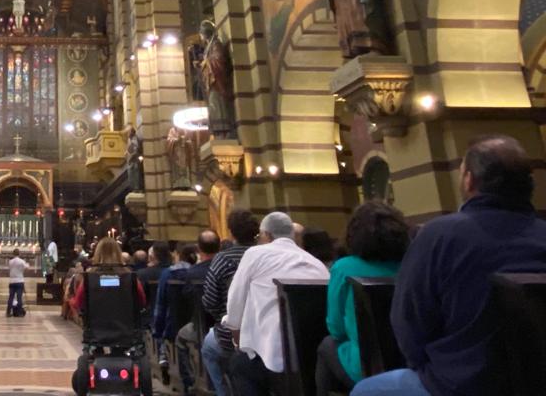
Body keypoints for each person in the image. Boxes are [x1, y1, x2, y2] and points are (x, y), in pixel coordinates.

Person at [353, 136, 546, 396]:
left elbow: (408, 323)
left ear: (469, 180)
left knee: (365, 390)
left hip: (460, 383)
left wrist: (434, 369)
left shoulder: (439, 236)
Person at [225, 212, 330, 396]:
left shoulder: (255, 254)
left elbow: (235, 301)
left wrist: (236, 336)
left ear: (266, 235)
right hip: (313, 358)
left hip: (273, 356)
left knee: (239, 365)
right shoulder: (316, 263)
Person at [315, 202, 410, 396]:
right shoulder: (410, 264)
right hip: (410, 362)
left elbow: (336, 327)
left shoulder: (344, 268)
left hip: (366, 365)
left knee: (327, 345)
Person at [70, 237, 152, 396]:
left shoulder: (89, 279)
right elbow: (141, 301)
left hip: (97, 330)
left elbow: (79, 303)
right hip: (126, 328)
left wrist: (71, 301)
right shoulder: (130, 278)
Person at [201, 210, 260, 396]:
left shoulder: (223, 259)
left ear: (232, 232)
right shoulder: (266, 256)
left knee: (208, 349)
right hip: (267, 329)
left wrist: (222, 316)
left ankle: (223, 392)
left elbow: (210, 301)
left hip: (233, 334)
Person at [174, 229, 220, 395]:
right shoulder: (227, 267)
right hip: (228, 323)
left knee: (180, 338)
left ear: (199, 249)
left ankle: (190, 382)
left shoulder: (193, 272)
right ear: (219, 247)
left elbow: (187, 298)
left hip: (201, 325)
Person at [154, 243, 196, 384]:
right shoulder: (198, 271)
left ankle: (167, 364)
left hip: (173, 324)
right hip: (199, 324)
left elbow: (161, 305)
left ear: (177, 255)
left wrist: (158, 330)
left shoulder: (168, 274)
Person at [7, 248, 30, 317]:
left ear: (13, 254)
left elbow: (10, 269)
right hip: (19, 281)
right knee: (19, 297)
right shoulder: (21, 261)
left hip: (12, 281)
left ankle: (8, 312)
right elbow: (27, 267)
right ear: (19, 254)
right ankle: (19, 313)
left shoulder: (10, 262)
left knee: (11, 297)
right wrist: (27, 264)